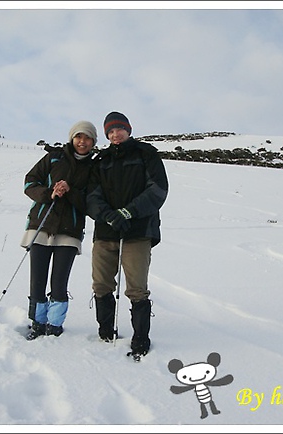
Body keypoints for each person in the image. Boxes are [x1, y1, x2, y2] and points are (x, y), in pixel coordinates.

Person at [87, 111, 169, 357]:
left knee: (136, 288)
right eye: (110, 131)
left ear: (129, 129)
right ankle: (105, 331)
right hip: (105, 232)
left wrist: (128, 212)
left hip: (138, 232)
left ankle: (140, 339)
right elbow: (91, 196)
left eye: (119, 129)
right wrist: (108, 215)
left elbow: (158, 189)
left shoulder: (146, 154)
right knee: (101, 284)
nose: (115, 134)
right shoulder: (100, 161)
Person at [21, 120, 97, 340]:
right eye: (79, 137)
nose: (82, 142)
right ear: (72, 138)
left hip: (69, 231)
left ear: (93, 142)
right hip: (41, 225)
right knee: (37, 280)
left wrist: (69, 191)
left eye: (87, 138)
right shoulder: (53, 157)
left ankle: (54, 325)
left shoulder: (93, 167)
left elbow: (90, 203)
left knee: (59, 282)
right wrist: (49, 193)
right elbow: (29, 183)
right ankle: (38, 322)